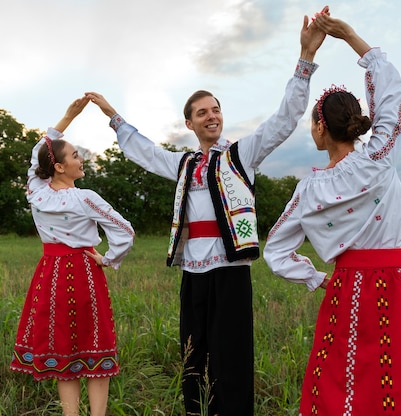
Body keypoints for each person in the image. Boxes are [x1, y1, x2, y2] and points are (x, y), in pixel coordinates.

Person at [84, 10, 327, 415]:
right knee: (193, 358)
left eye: (215, 109)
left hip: (231, 272)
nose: (211, 116)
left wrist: (304, 62)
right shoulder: (182, 165)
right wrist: (112, 115)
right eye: (202, 112)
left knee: (231, 357)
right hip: (192, 274)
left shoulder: (240, 155)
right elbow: (146, 151)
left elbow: (284, 120)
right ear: (189, 123)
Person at [263, 11, 401, 416]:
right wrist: (349, 37)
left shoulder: (309, 190)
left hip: (346, 289)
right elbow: (390, 94)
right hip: (400, 283)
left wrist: (315, 278)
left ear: (319, 127)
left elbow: (276, 251)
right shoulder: (379, 157)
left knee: (343, 388)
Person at [10, 97, 135, 416]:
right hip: (83, 273)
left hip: (49, 274)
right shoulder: (85, 199)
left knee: (63, 349)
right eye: (76, 156)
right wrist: (108, 259)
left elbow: (37, 153)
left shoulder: (36, 192)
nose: (82, 160)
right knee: (94, 348)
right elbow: (125, 231)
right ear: (60, 166)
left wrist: (68, 116)